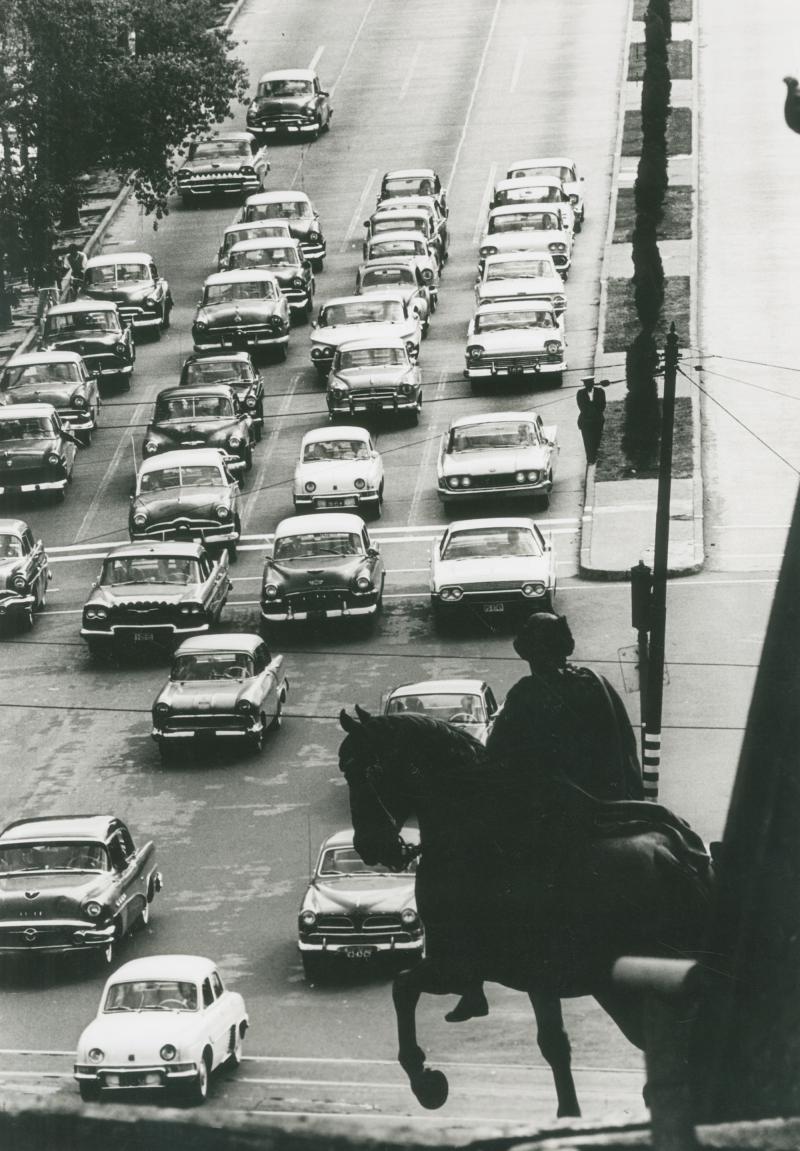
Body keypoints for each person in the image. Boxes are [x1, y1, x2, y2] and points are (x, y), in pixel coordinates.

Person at [444, 611, 643, 1024]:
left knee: (476, 860)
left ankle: (474, 975)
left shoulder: (529, 693)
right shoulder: (597, 682)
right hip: (614, 805)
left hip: (558, 814)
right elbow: (625, 744)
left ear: (531, 654)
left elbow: (496, 759)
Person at [576, 375, 606, 465]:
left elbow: (602, 405)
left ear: (593, 383)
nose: (588, 385)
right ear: (584, 384)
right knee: (588, 440)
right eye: (586, 383)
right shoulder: (580, 393)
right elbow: (582, 407)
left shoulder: (600, 391)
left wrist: (594, 411)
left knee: (597, 438)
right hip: (585, 421)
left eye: (590, 383)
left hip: (598, 420)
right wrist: (591, 410)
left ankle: (597, 456)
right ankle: (590, 459)